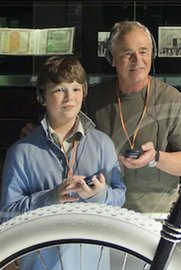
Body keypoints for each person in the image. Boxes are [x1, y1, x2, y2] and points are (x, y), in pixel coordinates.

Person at [1, 55, 126, 269]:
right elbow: (7, 215)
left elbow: (120, 197)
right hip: (41, 264)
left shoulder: (103, 144)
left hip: (92, 262)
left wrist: (99, 195)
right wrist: (51, 197)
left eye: (76, 89)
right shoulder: (21, 152)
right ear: (42, 96)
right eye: (59, 90)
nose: (70, 97)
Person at [86, 21, 181, 213]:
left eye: (143, 51)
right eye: (127, 53)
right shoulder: (93, 99)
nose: (137, 60)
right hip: (103, 210)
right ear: (112, 58)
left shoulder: (170, 98)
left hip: (154, 214)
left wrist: (155, 157)